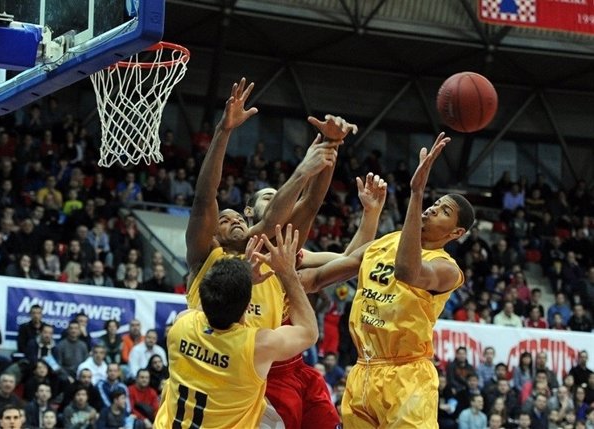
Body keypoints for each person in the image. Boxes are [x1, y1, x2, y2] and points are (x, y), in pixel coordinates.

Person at [184, 78, 358, 429]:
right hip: (219, 374)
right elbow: (205, 197)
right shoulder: (206, 258)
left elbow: (306, 206)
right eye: (225, 219)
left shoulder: (272, 253)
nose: (231, 219)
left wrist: (330, 145)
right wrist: (224, 130)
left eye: (237, 218)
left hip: (258, 382)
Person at [299, 132, 475, 428]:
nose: (433, 208)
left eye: (444, 211)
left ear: (455, 233)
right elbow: (317, 277)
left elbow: (408, 272)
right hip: (362, 372)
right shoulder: (384, 243)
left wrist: (416, 194)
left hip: (407, 377)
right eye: (436, 203)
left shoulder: (447, 269)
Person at [155, 224, 318, 428]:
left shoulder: (181, 324)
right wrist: (287, 272)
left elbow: (206, 302)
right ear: (248, 306)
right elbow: (309, 332)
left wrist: (242, 279)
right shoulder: (256, 347)